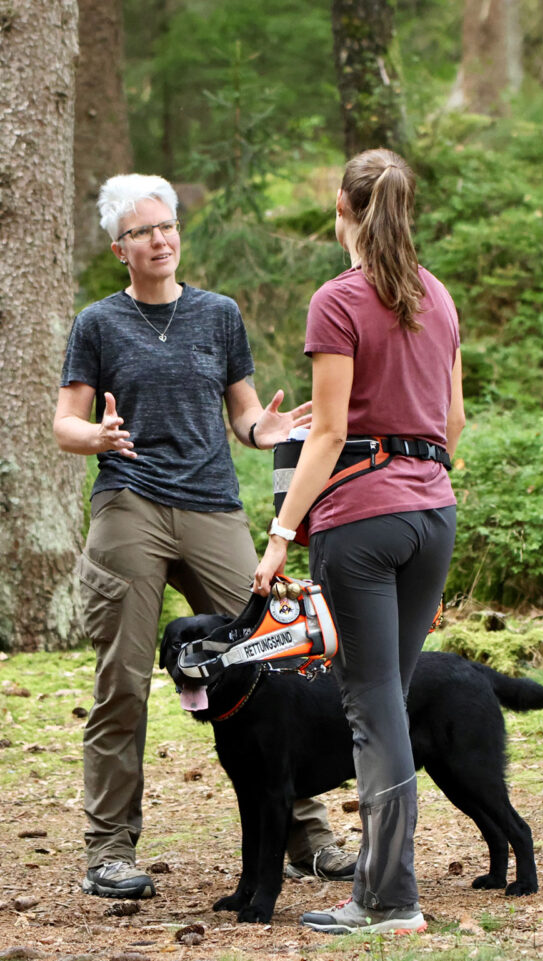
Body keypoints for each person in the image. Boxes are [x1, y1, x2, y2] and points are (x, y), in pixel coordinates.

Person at [54, 174, 357, 900]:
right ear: (118, 247)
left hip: (214, 504)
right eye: (142, 232)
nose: (160, 239)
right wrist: (93, 434)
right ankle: (110, 849)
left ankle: (305, 834)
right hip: (129, 504)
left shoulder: (219, 314)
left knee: (275, 662)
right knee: (123, 681)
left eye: (167, 226)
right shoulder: (98, 323)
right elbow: (65, 421)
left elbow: (246, 414)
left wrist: (268, 431)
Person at [254, 148, 466, 935]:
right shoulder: (437, 297)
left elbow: (333, 431)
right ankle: (390, 887)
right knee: (392, 700)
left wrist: (279, 534)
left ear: (340, 210)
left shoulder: (337, 300)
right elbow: (451, 425)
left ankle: (386, 897)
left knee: (371, 706)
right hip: (433, 512)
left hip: (363, 523)